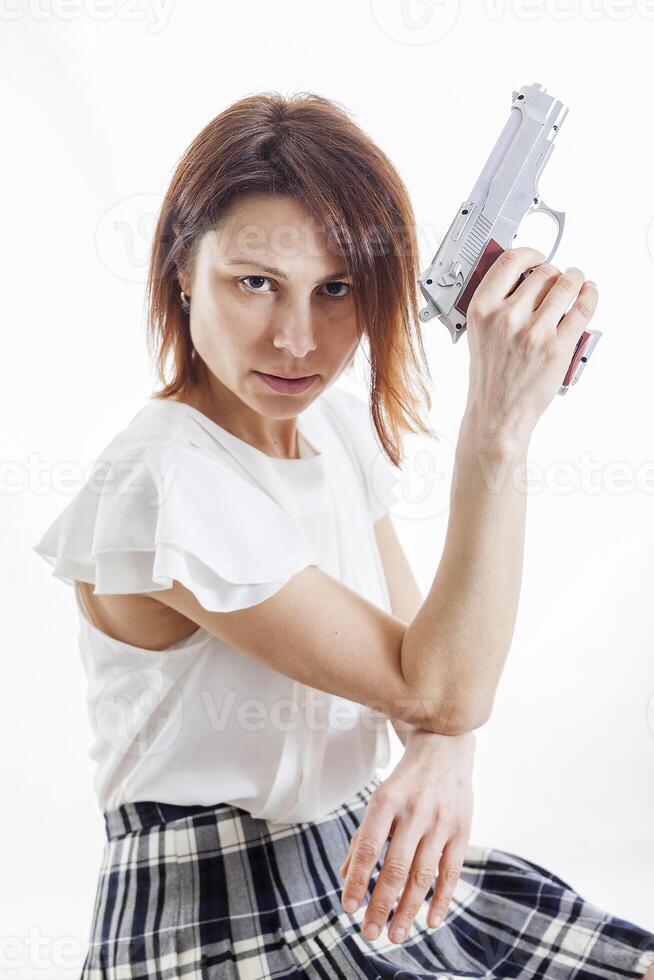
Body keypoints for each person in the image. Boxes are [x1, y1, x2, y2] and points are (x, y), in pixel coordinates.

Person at [34, 92, 654, 979]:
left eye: (337, 290)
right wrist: (499, 427)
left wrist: (447, 751)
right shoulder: (165, 483)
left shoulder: (331, 428)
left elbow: (430, 673)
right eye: (255, 283)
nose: (297, 340)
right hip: (211, 910)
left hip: (360, 866)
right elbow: (444, 686)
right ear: (180, 269)